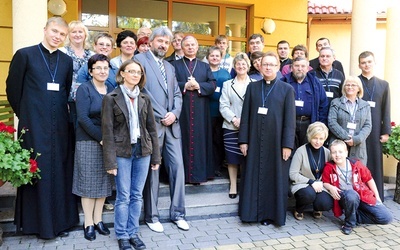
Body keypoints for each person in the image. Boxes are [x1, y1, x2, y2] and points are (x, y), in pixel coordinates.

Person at [6, 17, 78, 239]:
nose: (57, 36)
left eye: (62, 34)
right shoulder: (25, 55)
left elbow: (65, 91)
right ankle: (37, 225)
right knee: (38, 173)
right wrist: (27, 115)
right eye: (54, 31)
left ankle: (59, 223)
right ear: (45, 29)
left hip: (59, 129)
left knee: (58, 172)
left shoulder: (66, 61)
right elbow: (13, 90)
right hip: (34, 126)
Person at [134, 26, 189, 233]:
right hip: (153, 126)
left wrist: (174, 113)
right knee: (153, 171)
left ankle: (178, 213)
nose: (163, 45)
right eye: (160, 41)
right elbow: (142, 92)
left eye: (166, 42)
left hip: (172, 126)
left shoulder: (170, 66)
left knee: (177, 169)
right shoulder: (140, 61)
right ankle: (151, 215)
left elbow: (177, 93)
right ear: (151, 41)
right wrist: (162, 114)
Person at [102, 59, 161, 250]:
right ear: (123, 73)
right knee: (124, 196)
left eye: (139, 72)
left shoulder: (145, 98)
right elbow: (107, 132)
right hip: (122, 152)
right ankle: (122, 235)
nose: (136, 75)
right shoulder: (111, 98)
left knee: (137, 195)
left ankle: (133, 232)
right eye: (132, 71)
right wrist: (110, 162)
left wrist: (156, 157)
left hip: (143, 151)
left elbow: (152, 130)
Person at [238, 51, 296, 226]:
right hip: (254, 141)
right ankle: (250, 214)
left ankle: (271, 215)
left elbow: (289, 120)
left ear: (278, 67)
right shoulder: (252, 87)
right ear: (260, 67)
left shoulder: (287, 90)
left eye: (272, 64)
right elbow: (245, 115)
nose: (268, 67)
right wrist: (243, 140)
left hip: (276, 142)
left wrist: (287, 145)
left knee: (274, 178)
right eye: (265, 64)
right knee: (253, 175)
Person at [72, 54, 113, 241]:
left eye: (105, 68)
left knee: (103, 182)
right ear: (90, 71)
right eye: (98, 68)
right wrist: (101, 138)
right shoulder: (84, 89)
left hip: (108, 140)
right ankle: (88, 222)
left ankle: (98, 220)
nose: (102, 71)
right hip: (88, 140)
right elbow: (82, 118)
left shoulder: (112, 88)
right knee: (88, 183)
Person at [170, 35, 216, 184]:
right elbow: (169, 84)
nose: (190, 47)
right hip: (181, 111)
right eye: (187, 45)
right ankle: (182, 176)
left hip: (201, 111)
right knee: (181, 140)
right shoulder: (174, 65)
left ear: (197, 47)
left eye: (193, 45)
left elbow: (213, 84)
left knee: (200, 141)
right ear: (182, 48)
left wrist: (198, 86)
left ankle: (199, 175)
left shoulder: (204, 66)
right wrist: (185, 85)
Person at [322, 139, 392, 235]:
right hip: (345, 197)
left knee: (386, 217)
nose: (337, 155)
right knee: (351, 195)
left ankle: (355, 216)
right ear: (331, 154)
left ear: (346, 152)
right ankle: (349, 224)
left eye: (340, 152)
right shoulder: (329, 167)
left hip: (362, 195)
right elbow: (324, 182)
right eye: (334, 152)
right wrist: (330, 187)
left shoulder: (356, 164)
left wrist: (377, 197)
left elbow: (369, 179)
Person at [358, 51, 391, 201]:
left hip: (376, 129)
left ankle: (377, 198)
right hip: (359, 128)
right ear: (359, 64)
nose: (366, 65)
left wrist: (386, 132)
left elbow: (386, 109)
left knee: (375, 162)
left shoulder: (383, 85)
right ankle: (359, 195)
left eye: (369, 62)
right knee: (358, 162)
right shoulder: (355, 82)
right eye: (363, 62)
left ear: (374, 63)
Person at [219, 52, 251, 199]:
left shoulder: (255, 85)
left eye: (243, 64)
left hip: (249, 127)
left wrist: (244, 121)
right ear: (235, 66)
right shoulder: (227, 84)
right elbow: (223, 105)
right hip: (230, 126)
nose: (241, 66)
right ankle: (233, 185)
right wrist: (234, 119)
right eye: (238, 64)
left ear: (248, 66)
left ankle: (245, 185)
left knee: (246, 157)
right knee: (232, 158)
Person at [289, 122, 333, 220]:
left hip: (321, 185)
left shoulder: (327, 152)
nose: (318, 141)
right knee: (308, 194)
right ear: (309, 136)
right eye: (315, 138)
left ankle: (317, 208)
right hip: (303, 184)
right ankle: (299, 209)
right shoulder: (300, 151)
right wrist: (311, 182)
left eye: (321, 139)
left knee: (326, 203)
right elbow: (292, 174)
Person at [281, 57, 328, 148]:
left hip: (309, 123)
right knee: (289, 149)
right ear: (291, 67)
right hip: (289, 123)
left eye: (303, 66)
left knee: (306, 151)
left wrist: (319, 125)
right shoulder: (284, 82)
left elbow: (323, 104)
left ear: (307, 68)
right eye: (297, 66)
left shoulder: (315, 82)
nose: (300, 68)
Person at [328, 76, 372, 165]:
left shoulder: (365, 105)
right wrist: (347, 137)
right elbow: (332, 122)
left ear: (359, 88)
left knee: (357, 174)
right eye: (347, 85)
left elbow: (368, 125)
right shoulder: (336, 103)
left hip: (358, 147)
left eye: (353, 85)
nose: (350, 87)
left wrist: (356, 139)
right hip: (339, 145)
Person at [206, 46, 231, 177]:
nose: (215, 58)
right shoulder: (203, 71)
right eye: (212, 55)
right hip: (206, 112)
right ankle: (207, 165)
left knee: (218, 141)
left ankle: (217, 166)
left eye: (217, 56)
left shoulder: (225, 73)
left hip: (221, 113)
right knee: (207, 140)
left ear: (221, 58)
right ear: (207, 57)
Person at [59, 20, 94, 102]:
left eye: (80, 32)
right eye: (74, 32)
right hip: (67, 98)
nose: (77, 35)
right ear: (68, 35)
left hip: (88, 98)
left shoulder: (92, 55)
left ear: (85, 35)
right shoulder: (61, 52)